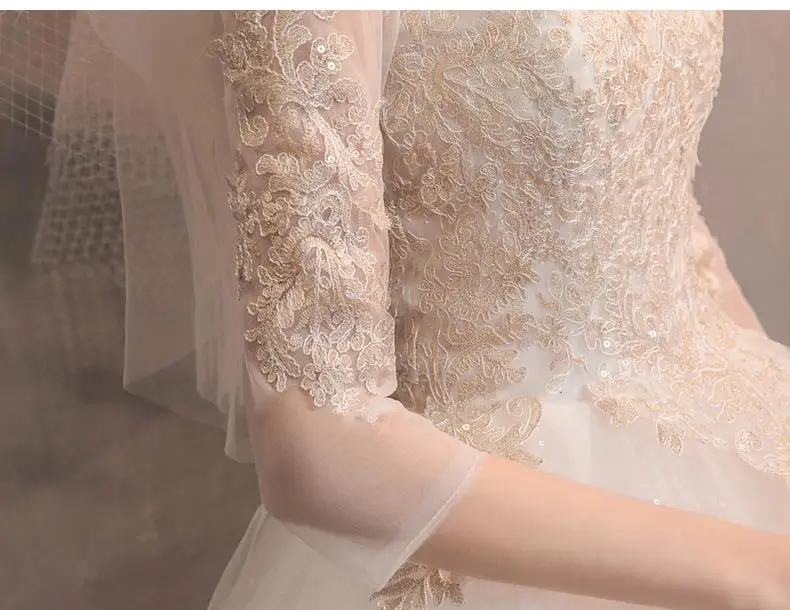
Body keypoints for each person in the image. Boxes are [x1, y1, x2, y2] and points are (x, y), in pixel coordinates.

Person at [5, 10, 790, 610]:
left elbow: (647, 212)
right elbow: (320, 443)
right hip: (500, 519)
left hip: (730, 445)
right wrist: (755, 571)